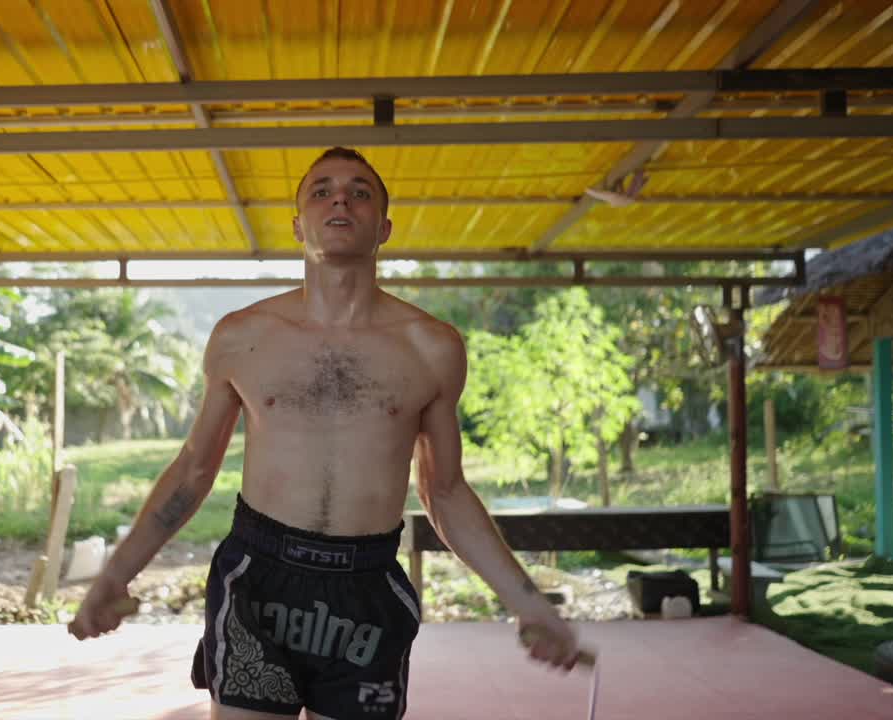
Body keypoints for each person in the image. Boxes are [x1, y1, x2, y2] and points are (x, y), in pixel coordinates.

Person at [69, 147, 579, 719]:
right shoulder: (242, 336)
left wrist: (525, 602)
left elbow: (445, 492)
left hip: (366, 586)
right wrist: (116, 573)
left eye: (361, 192)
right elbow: (193, 469)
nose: (341, 198)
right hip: (257, 578)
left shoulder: (431, 347)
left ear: (383, 227)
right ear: (297, 225)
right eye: (322, 190)